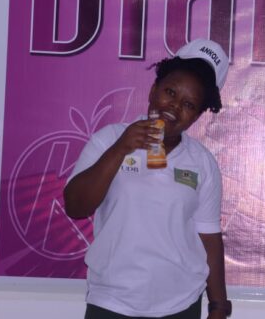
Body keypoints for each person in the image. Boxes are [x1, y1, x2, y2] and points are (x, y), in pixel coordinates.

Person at [64, 39, 232, 319]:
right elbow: (75, 207)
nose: (175, 107)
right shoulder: (108, 139)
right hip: (112, 301)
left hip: (180, 304)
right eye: (170, 92)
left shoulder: (202, 162)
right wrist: (121, 148)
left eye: (189, 104)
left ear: (198, 116)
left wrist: (218, 307)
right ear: (153, 90)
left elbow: (209, 238)